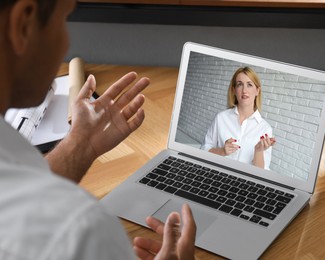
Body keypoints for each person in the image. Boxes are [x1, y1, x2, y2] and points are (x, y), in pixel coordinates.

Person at [0, 0, 196, 259]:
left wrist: (80, 143)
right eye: (64, 20)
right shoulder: (80, 233)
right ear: (23, 24)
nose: (66, 43)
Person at [201, 67, 275, 170]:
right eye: (240, 84)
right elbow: (204, 149)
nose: (244, 90)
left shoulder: (265, 128)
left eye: (249, 85)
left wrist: (258, 151)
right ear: (234, 90)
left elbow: (262, 171)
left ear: (257, 91)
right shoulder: (221, 118)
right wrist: (222, 151)